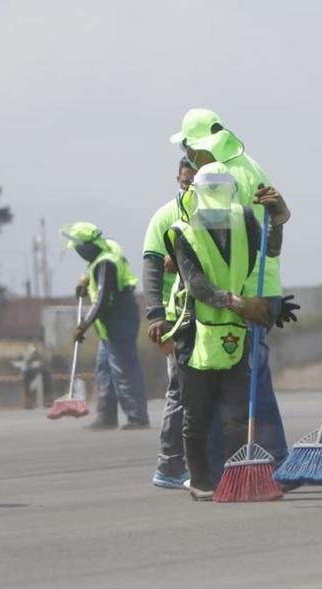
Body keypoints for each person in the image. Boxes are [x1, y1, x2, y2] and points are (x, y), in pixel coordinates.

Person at [170, 109, 296, 463]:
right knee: (244, 378)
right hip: (250, 284)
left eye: (189, 148)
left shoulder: (222, 177)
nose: (188, 158)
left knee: (242, 380)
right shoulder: (244, 165)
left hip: (242, 288)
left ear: (201, 147)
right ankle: (241, 461)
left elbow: (232, 244)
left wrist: (239, 299)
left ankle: (267, 459)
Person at [164, 162, 288, 500]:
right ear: (198, 194)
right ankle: (202, 482)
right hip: (194, 332)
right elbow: (197, 285)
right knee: (197, 412)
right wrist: (239, 302)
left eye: (223, 191)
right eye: (212, 192)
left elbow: (270, 251)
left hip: (234, 331)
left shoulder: (246, 220)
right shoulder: (183, 231)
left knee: (236, 412)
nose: (218, 200)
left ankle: (237, 482)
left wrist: (277, 219)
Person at [64, 223, 149, 430]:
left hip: (119, 318)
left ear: (86, 247)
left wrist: (83, 326)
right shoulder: (103, 255)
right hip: (108, 323)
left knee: (124, 368)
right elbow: (97, 290)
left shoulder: (106, 263)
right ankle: (107, 416)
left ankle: (137, 417)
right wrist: (85, 285)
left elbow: (102, 300)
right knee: (105, 369)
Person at [143, 157, 196, 488]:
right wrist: (157, 316)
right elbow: (150, 269)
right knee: (181, 389)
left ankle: (194, 460)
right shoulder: (165, 217)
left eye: (196, 179)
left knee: (201, 391)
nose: (190, 185)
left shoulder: (215, 212)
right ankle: (170, 464)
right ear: (178, 178)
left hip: (206, 313)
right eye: (185, 180)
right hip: (176, 316)